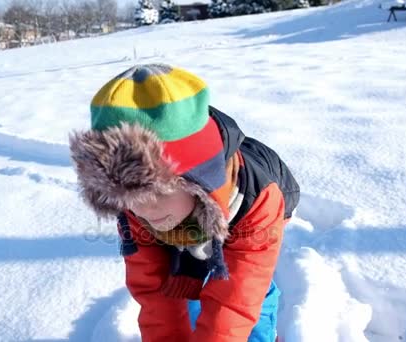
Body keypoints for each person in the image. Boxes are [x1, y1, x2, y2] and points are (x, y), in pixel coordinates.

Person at [69, 64, 300, 342]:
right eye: (131, 197)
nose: (144, 210)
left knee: (250, 291)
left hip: (258, 207)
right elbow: (154, 289)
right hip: (193, 215)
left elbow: (239, 295)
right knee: (186, 277)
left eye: (160, 192)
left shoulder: (258, 199)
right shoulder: (134, 205)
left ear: (198, 179)